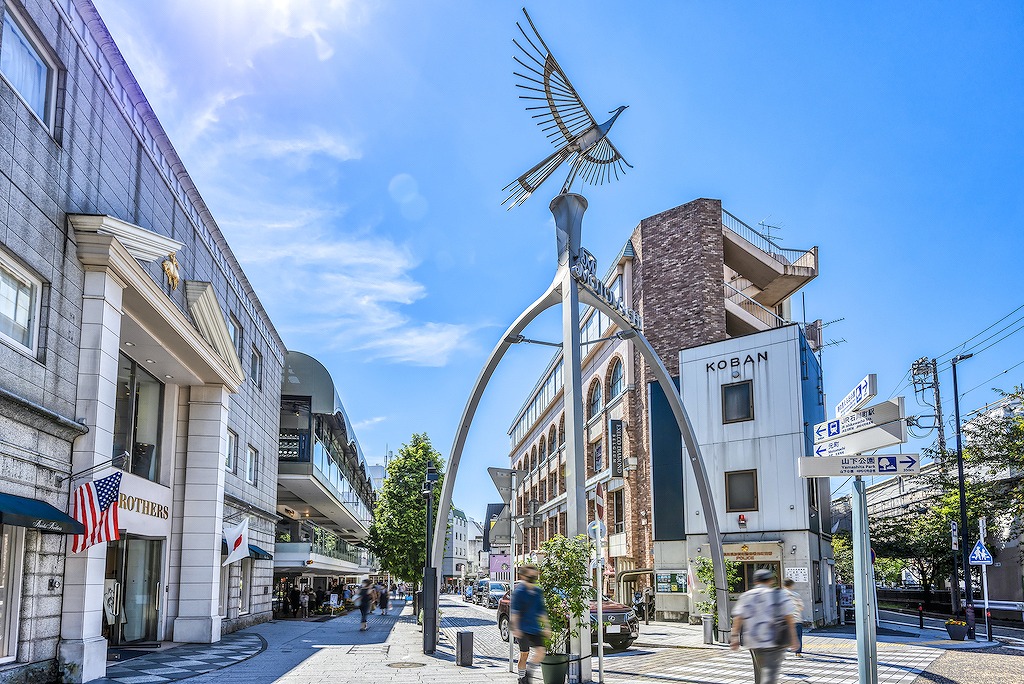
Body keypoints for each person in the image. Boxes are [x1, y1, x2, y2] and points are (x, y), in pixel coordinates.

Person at [730, 568, 798, 684]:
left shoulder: (746, 596)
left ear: (756, 581)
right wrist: (794, 638)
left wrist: (734, 637)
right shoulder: (778, 595)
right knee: (770, 674)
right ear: (771, 581)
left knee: (760, 672)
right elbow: (789, 617)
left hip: (753, 641)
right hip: (774, 641)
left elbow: (738, 617)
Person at [510, 564, 549, 684]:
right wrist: (515, 628)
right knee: (524, 654)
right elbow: (515, 612)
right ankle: (522, 678)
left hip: (535, 627)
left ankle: (528, 675)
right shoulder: (519, 592)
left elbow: (541, 610)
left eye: (534, 575)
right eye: (530, 575)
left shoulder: (538, 591)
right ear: (523, 576)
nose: (533, 577)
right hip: (522, 628)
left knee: (541, 652)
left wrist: (547, 626)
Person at [782, 578, 804, 656]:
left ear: (783, 585)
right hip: (796, 618)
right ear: (791, 585)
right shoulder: (796, 595)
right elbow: (801, 607)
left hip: (783, 620)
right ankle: (798, 652)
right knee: (798, 635)